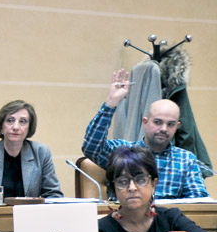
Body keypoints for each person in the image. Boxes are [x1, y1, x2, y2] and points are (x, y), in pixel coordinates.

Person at [82, 68, 209, 199]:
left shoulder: (186, 159)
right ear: (145, 122)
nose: (164, 128)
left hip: (168, 218)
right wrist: (111, 103)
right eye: (158, 122)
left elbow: (198, 201)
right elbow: (92, 147)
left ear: (177, 127)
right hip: (126, 217)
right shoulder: (123, 151)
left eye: (170, 124)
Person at [98, 146, 214, 232]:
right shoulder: (103, 227)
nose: (132, 188)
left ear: (154, 184)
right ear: (113, 188)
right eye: (122, 182)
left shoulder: (171, 218)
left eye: (141, 180)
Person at [0, 100, 62, 200]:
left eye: (22, 121)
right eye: (10, 120)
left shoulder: (40, 152)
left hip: (28, 214)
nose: (16, 127)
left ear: (29, 128)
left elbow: (53, 195)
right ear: (1, 126)